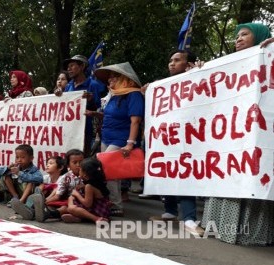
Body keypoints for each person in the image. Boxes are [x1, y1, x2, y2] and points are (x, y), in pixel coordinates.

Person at [201, 22, 274, 246]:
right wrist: (201, 71)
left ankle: (251, 233)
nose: (238, 39)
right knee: (228, 175)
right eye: (236, 36)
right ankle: (219, 226)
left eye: (244, 34)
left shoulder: (270, 57)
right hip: (232, 133)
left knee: (253, 178)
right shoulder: (228, 66)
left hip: (259, 135)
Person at [148, 49, 204, 236]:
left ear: (188, 64)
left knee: (184, 175)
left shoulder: (199, 78)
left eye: (177, 60)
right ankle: (170, 211)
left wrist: (200, 73)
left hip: (189, 137)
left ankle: (189, 218)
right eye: (170, 60)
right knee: (167, 172)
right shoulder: (164, 86)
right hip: (167, 137)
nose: (171, 63)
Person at [93, 62, 144, 217]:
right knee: (111, 171)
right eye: (110, 78)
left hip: (121, 138)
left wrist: (130, 143)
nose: (110, 80)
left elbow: (135, 120)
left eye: (115, 77)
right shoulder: (114, 95)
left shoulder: (134, 95)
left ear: (124, 79)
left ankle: (116, 204)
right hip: (106, 137)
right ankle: (111, 201)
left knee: (107, 169)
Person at [59, 55, 106, 156]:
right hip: (69, 129)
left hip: (85, 129)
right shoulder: (68, 86)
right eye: (68, 67)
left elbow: (100, 108)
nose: (69, 69)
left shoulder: (93, 85)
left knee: (83, 156)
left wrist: (91, 100)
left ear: (82, 66)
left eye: (72, 65)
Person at [31, 149, 85, 222]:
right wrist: (44, 202)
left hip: (83, 201)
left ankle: (44, 214)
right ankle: (34, 212)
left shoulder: (87, 175)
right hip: (69, 200)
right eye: (75, 162)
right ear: (68, 165)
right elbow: (58, 195)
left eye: (81, 162)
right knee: (52, 206)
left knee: (65, 208)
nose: (78, 165)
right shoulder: (65, 177)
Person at [11, 156, 67, 220]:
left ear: (60, 167)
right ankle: (25, 204)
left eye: (51, 163)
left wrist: (43, 202)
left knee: (56, 206)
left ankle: (32, 211)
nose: (48, 165)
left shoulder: (62, 179)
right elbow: (35, 180)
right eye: (47, 164)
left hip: (57, 202)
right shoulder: (46, 177)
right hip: (45, 201)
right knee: (33, 183)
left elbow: (57, 197)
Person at [61, 158, 110, 223]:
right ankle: (79, 217)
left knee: (71, 208)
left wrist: (77, 194)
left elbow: (87, 204)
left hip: (99, 211)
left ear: (85, 174)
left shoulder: (89, 186)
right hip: (99, 207)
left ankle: (96, 218)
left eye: (80, 170)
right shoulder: (97, 181)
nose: (79, 171)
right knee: (71, 197)